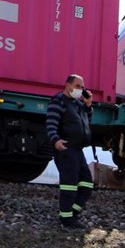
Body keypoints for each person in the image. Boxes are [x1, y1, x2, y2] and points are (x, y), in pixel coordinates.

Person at [46, 74, 93, 229]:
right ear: (67, 85)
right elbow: (51, 123)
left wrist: (87, 106)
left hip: (78, 150)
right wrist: (56, 140)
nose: (80, 90)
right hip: (67, 149)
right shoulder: (59, 101)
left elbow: (86, 122)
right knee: (69, 185)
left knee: (86, 185)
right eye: (78, 86)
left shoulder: (77, 104)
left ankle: (70, 215)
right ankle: (66, 220)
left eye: (82, 87)